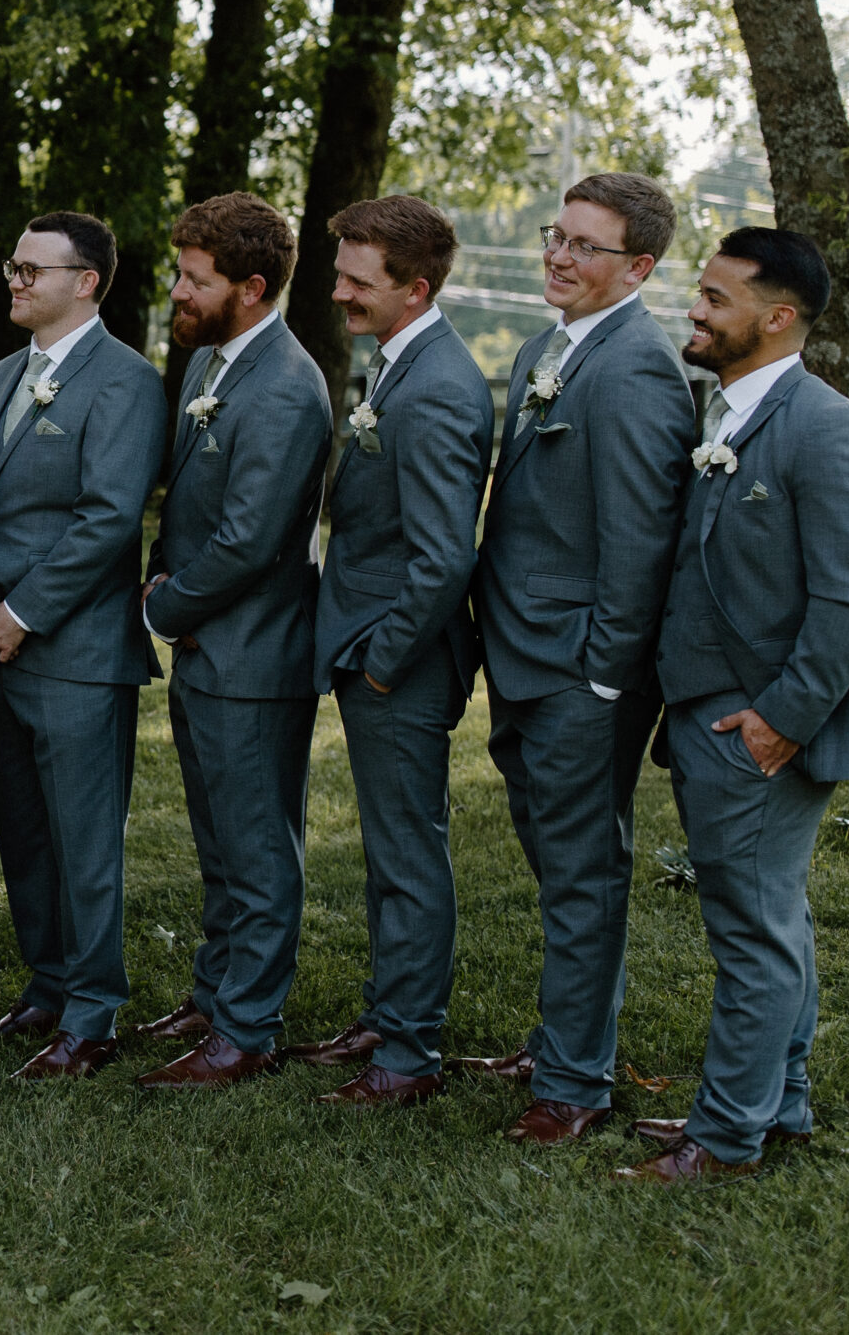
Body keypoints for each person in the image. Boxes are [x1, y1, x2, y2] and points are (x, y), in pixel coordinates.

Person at [617, 230, 849, 1183]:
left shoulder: (831, 427)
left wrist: (781, 719)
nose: (695, 310)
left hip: (759, 730)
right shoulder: (725, 413)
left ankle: (728, 1134)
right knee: (773, 918)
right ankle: (781, 1106)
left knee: (753, 934)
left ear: (778, 318)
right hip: (711, 717)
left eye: (716, 298)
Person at [456, 174, 696, 1146]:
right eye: (556, 236)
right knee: (558, 865)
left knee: (585, 870)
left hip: (578, 675)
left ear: (637, 266)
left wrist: (601, 678)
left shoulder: (637, 368)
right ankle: (563, 1035)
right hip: (521, 657)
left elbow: (640, 542)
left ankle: (575, 1085)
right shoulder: (540, 350)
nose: (557, 256)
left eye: (583, 246)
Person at [0, 213, 166, 1081]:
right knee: (25, 831)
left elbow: (109, 518)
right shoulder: (6, 375)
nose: (17, 280)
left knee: (84, 840)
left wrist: (24, 613)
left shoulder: (127, 382)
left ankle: (93, 1011)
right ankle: (45, 986)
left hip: (75, 650)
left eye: (34, 269)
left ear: (88, 282)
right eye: (14, 264)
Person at [301, 198, 493, 1106]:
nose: (339, 291)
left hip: (403, 661)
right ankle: (388, 1010)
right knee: (388, 847)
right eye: (339, 272)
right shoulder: (397, 363)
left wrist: (382, 659)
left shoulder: (442, 384)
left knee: (409, 853)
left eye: (356, 280)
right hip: (376, 645)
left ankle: (409, 1052)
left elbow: (445, 552)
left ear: (415, 288)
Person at [139, 193, 331, 1090]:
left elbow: (250, 540)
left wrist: (163, 605)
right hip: (210, 652)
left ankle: (247, 1030)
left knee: (257, 852)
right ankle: (215, 994)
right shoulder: (211, 367)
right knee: (218, 842)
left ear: (251, 288)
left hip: (254, 656)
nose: (178, 290)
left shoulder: (287, 386)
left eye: (195, 278)